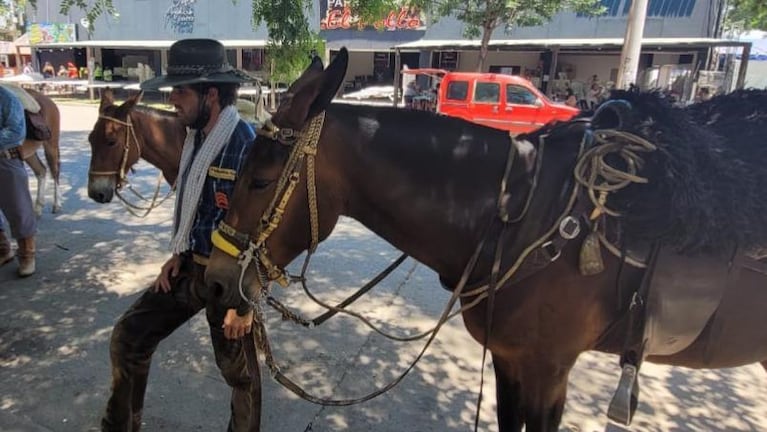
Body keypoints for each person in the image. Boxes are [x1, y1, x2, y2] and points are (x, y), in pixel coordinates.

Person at [100, 38, 260, 432]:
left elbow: (262, 231)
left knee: (240, 378)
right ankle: (120, 426)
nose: (172, 100)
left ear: (211, 94)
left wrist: (247, 304)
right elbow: (195, 205)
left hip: (230, 282)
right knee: (128, 337)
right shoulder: (194, 139)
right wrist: (178, 252)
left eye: (180, 91)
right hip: (189, 267)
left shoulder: (246, 146)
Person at [0, 86, 36, 277]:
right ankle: (3, 249)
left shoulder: (6, 98)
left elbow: (15, 131)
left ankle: (27, 253)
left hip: (5, 159)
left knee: (18, 208)